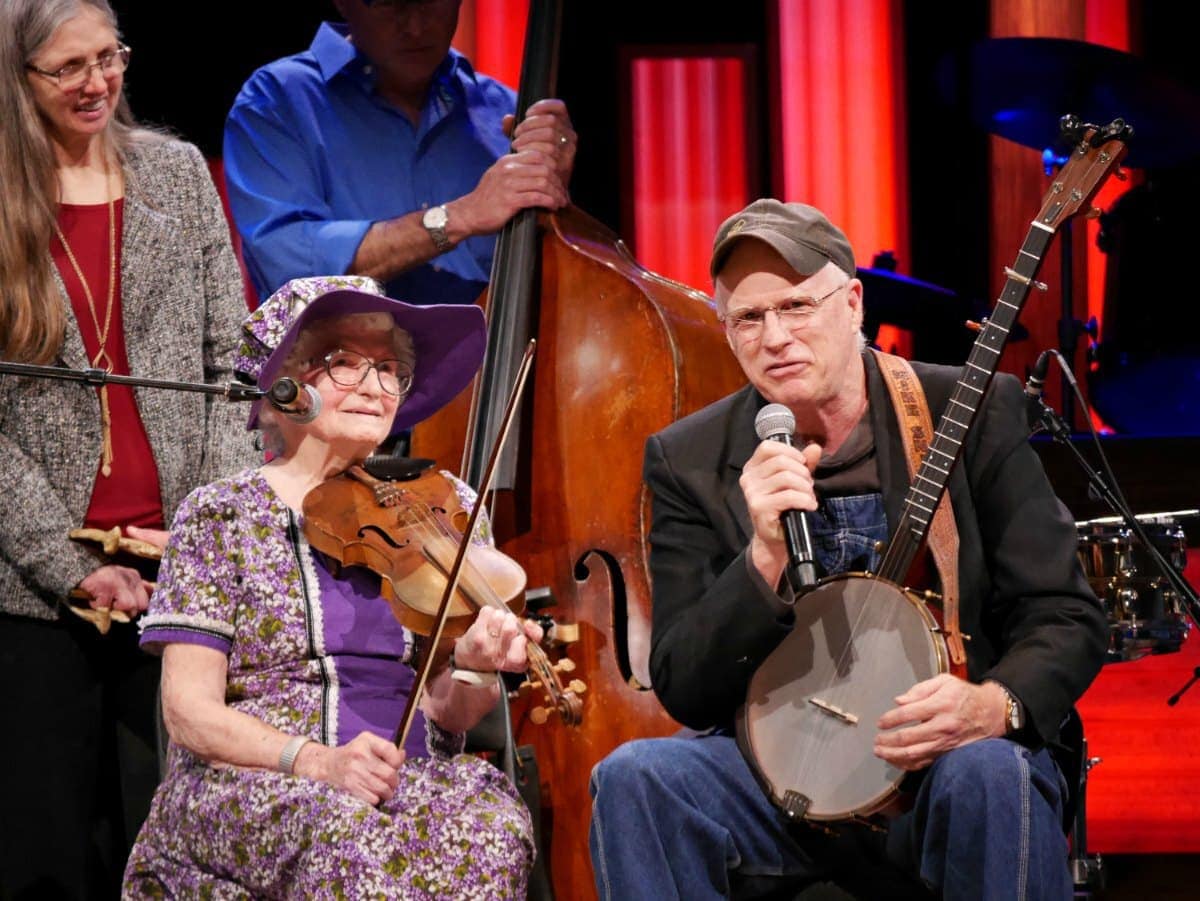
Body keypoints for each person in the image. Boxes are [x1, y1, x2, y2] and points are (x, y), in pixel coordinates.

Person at [588, 200, 1110, 900]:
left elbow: (1066, 615)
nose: (775, 336)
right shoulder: (689, 458)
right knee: (636, 778)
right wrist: (763, 561)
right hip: (782, 779)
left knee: (991, 773)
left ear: (853, 302)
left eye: (797, 305)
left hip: (945, 768)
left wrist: (992, 703)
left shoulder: (968, 409)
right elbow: (685, 683)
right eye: (748, 317)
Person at [122, 275, 541, 897]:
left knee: (493, 827)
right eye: (345, 364)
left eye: (390, 369)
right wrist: (318, 762)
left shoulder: (444, 507)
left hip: (406, 778)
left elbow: (448, 713)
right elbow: (189, 713)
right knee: (350, 834)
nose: (374, 387)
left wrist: (476, 668)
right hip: (255, 785)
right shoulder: (221, 513)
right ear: (285, 386)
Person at [0, 0, 257, 896]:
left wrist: (205, 533)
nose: (97, 82)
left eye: (109, 57)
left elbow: (235, 366)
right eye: (67, 68)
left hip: (177, 573)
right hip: (33, 593)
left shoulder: (177, 176)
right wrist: (62, 559)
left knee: (173, 850)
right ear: (17, 78)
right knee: (49, 857)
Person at [222, 0, 576, 307]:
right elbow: (289, 269)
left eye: (431, 1)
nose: (416, 26)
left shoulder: (506, 110)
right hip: (339, 378)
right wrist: (459, 217)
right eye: (389, 3)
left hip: (494, 380)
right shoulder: (275, 101)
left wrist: (556, 197)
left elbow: (550, 282)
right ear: (343, 3)